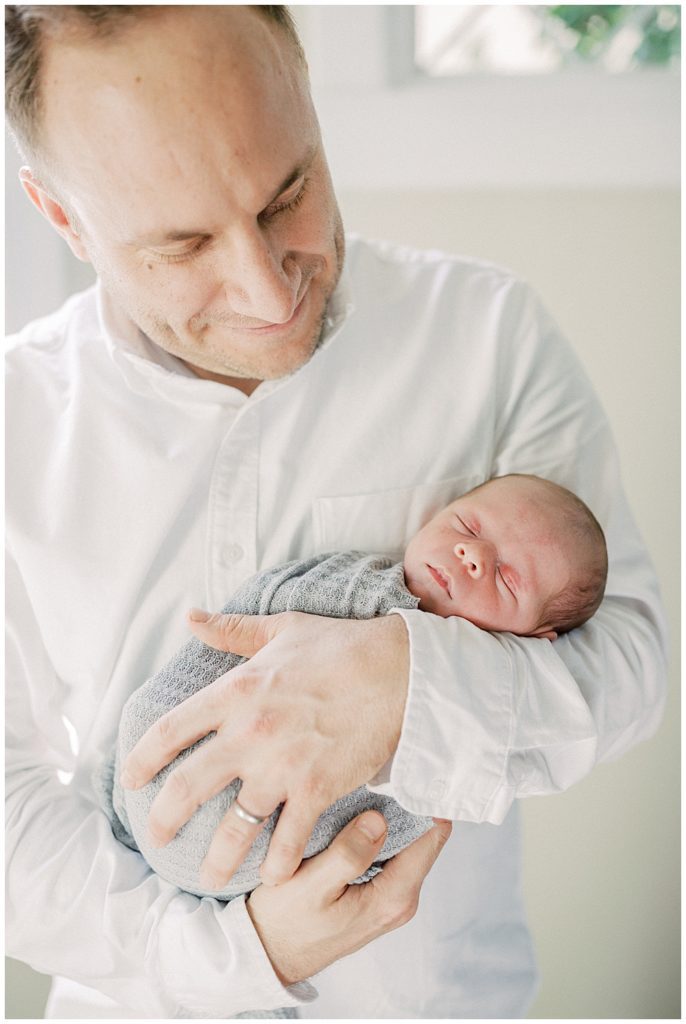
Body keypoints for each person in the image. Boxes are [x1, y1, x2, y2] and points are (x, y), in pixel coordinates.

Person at [4, 5, 666, 1020]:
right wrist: (232, 952)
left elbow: (631, 663)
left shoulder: (486, 335)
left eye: (288, 194)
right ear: (62, 219)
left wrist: (400, 683)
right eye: (179, 246)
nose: (267, 291)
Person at [105, 472, 608, 905]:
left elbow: (424, 804)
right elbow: (260, 604)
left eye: (507, 578)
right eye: (467, 526)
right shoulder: (347, 576)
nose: (472, 554)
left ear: (539, 640)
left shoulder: (480, 720)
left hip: (273, 890)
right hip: (137, 785)